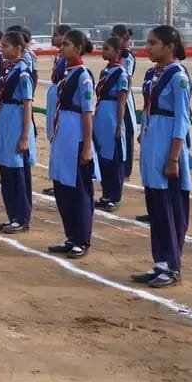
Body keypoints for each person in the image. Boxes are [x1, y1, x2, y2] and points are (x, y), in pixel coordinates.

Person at [130, 26, 192, 289]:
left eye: (154, 43)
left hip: (167, 146)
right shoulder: (151, 74)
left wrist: (174, 157)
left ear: (169, 46)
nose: (148, 47)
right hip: (152, 143)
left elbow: (182, 119)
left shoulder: (178, 77)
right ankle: (160, 262)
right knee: (155, 206)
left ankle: (173, 264)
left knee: (170, 208)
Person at [47, 29, 99, 259]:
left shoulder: (83, 76)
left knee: (78, 189)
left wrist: (87, 146)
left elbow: (88, 113)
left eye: (66, 44)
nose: (61, 47)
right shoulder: (67, 73)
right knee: (62, 187)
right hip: (63, 135)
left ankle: (82, 238)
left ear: (78, 48)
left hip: (75, 135)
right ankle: (71, 236)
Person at [0, 31, 35, 233]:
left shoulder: (23, 72)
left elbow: (27, 104)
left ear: (18, 48)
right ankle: (12, 215)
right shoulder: (10, 69)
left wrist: (25, 136)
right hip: (6, 119)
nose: (3, 49)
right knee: (7, 172)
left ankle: (22, 216)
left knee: (18, 172)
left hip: (16, 121)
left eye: (6, 46)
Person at [94, 37, 129, 212]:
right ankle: (106, 193)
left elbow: (122, 101)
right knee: (103, 157)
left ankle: (114, 196)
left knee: (113, 158)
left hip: (112, 116)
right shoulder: (105, 71)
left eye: (107, 49)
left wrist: (118, 126)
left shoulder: (120, 73)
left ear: (116, 52)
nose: (103, 52)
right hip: (102, 115)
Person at [112, 24, 138, 178]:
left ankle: (126, 167)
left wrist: (123, 99)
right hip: (119, 98)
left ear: (122, 38)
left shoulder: (126, 57)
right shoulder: (120, 55)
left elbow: (127, 79)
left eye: (115, 36)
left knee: (125, 132)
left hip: (124, 99)